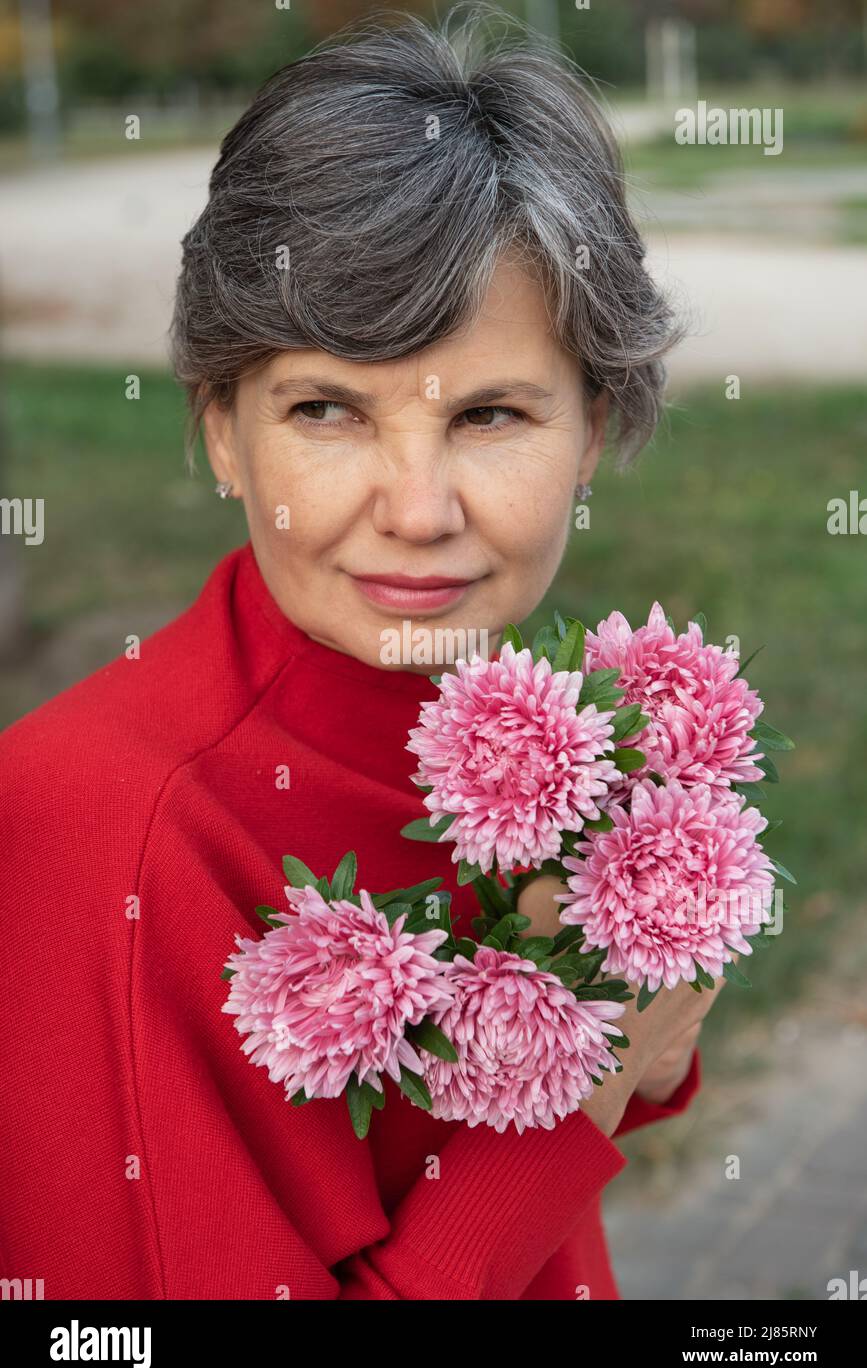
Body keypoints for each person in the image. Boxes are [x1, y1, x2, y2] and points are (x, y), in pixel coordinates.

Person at [0, 5, 718, 1300]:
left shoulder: (540, 731)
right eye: (326, 408)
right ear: (222, 427)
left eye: (491, 414)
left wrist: (642, 1021)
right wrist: (590, 1082)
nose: (417, 508)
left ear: (595, 427)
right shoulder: (102, 829)